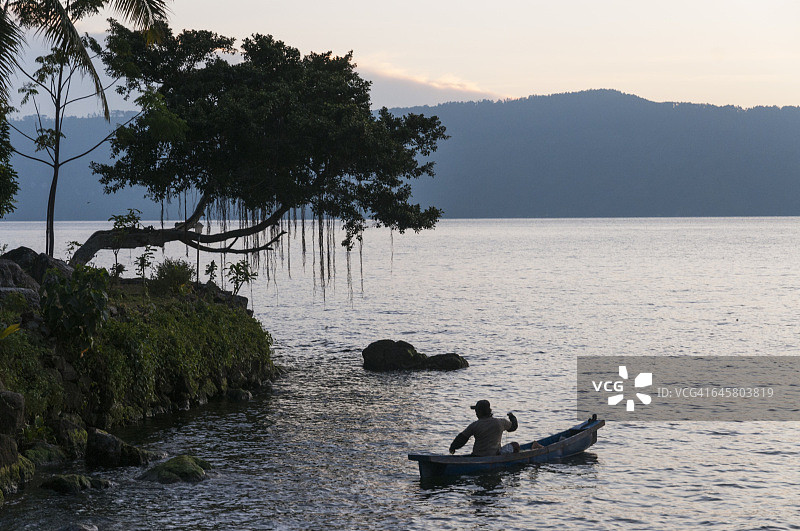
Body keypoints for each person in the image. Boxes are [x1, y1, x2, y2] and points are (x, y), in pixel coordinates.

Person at [449, 400, 518, 457]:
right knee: (515, 445)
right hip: (495, 455)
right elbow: (513, 427)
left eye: (476, 411)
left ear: (480, 412)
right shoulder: (501, 422)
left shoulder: (475, 425)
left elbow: (461, 439)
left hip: (477, 456)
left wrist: (453, 447)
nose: (475, 413)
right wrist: (512, 417)